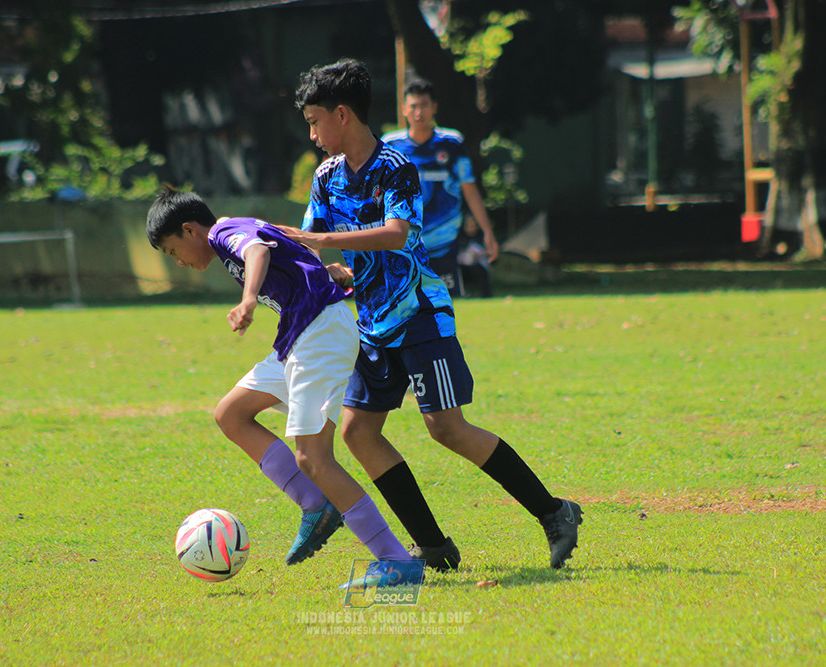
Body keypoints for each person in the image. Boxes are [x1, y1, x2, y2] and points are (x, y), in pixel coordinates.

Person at [283, 58, 582, 573]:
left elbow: (398, 234)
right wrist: (297, 263)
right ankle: (433, 545)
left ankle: (555, 513)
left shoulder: (397, 167)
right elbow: (310, 244)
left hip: (419, 313)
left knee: (446, 427)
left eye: (315, 121)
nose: (312, 134)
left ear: (343, 114)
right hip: (372, 323)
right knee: (359, 433)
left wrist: (326, 241)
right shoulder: (326, 177)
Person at [145, 186, 423, 590]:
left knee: (313, 458)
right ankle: (315, 504)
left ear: (189, 230)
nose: (180, 262)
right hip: (297, 337)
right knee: (231, 414)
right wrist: (328, 276)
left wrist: (249, 299)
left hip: (318, 335)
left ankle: (396, 560)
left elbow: (258, 252)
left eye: (173, 252)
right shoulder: (236, 233)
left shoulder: (225, 233)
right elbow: (294, 257)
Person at [382, 79, 498, 297]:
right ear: (405, 109)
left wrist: (487, 231)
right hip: (406, 243)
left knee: (446, 306)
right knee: (407, 306)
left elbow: (469, 188)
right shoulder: (391, 145)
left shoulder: (452, 143)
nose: (419, 112)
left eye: (424, 105)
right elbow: (379, 192)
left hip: (445, 243)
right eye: (413, 106)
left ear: (434, 107)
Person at [456, 214, 492, 298]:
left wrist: (482, 253)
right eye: (469, 225)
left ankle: (485, 295)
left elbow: (490, 252)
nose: (471, 228)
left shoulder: (482, 236)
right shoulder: (460, 237)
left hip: (478, 264)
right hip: (463, 265)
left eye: (473, 225)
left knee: (479, 271)